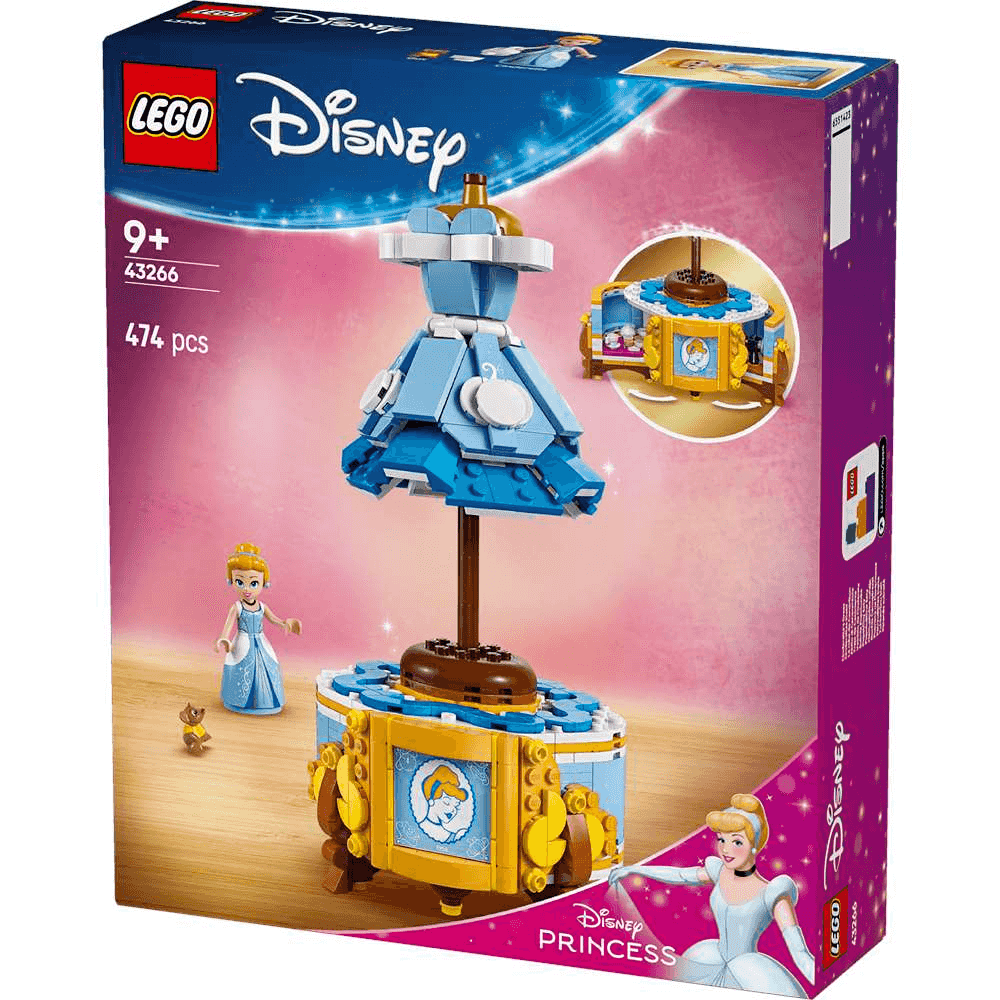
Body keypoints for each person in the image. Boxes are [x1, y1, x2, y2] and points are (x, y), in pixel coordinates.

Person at [609, 794, 815, 996]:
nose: (726, 849)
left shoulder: (772, 893)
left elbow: (800, 953)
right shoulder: (719, 872)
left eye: (737, 842)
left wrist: (823, 978)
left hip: (750, 973)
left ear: (754, 844)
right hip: (709, 960)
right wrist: (635, 869)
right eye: (722, 840)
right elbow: (679, 875)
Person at [215, 543, 301, 715]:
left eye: (253, 583)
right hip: (242, 642)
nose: (246, 589)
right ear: (232, 581)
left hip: (261, 642)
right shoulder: (237, 607)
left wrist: (285, 623)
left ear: (263, 583)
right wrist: (224, 639)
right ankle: (239, 701)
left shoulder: (262, 606)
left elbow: (274, 620)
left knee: (269, 665)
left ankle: (266, 701)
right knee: (242, 669)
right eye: (240, 582)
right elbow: (228, 627)